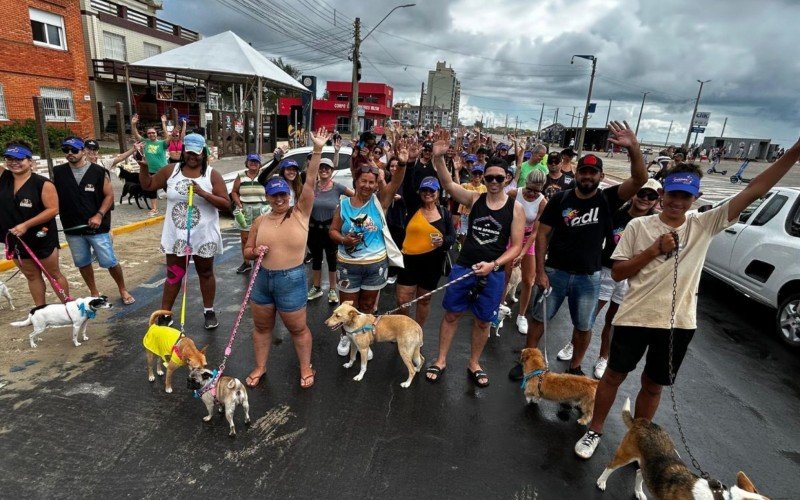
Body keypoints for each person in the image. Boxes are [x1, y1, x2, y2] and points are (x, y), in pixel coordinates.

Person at [574, 137, 800, 459]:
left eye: (685, 196)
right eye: (673, 195)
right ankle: (594, 429)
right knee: (613, 375)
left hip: (678, 323)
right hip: (635, 315)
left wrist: (792, 154)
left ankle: (639, 444)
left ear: (696, 198)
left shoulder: (704, 224)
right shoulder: (639, 225)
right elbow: (619, 272)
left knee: (653, 385)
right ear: (662, 195)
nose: (677, 202)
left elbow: (755, 191)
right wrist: (654, 250)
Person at [509, 121, 648, 381]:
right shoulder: (561, 199)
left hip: (589, 276)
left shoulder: (608, 198)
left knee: (584, 326)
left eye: (593, 173)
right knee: (539, 318)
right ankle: (527, 360)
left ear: (601, 177)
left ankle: (575, 367)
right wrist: (540, 270)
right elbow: (542, 236)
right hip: (556, 272)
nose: (587, 176)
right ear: (577, 174)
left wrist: (634, 149)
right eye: (583, 172)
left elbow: (640, 179)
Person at [427, 131, 525, 387]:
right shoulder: (475, 198)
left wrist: (494, 265)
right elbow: (448, 185)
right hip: (464, 266)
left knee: (483, 321)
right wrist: (438, 159)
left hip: (492, 272)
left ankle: (474, 363)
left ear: (507, 179)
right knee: (451, 315)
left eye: (498, 178)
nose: (493, 181)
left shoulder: (515, 208)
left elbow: (516, 247)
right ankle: (440, 360)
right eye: (489, 177)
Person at [242, 128, 332, 390]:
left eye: (283, 194)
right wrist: (254, 253)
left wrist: (317, 150)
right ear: (268, 197)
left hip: (290, 279)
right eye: (274, 195)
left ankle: (305, 366)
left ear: (289, 195)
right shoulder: (259, 220)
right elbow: (247, 252)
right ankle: (260, 366)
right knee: (261, 327)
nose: (280, 198)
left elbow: (311, 181)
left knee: (297, 328)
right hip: (261, 280)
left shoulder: (300, 213)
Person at [560, 178, 661, 380]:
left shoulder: (655, 223)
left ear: (657, 200)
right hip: (606, 271)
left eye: (652, 196)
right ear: (634, 194)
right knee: (588, 316)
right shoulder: (616, 214)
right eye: (642, 193)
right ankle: (573, 344)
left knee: (613, 321)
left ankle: (603, 357)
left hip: (633, 278)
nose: (645, 199)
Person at [138, 133, 230, 329]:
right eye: (189, 152)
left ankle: (209, 310)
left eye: (197, 153)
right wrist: (144, 167)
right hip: (178, 235)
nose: (192, 157)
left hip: (204, 235)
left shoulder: (212, 174)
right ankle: (165, 313)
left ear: (203, 153)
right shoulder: (171, 171)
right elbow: (147, 185)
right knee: (174, 274)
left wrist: (203, 193)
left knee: (205, 272)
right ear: (183, 151)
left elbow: (225, 204)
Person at [329, 140, 408, 356]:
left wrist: (401, 164)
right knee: (347, 307)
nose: (367, 186)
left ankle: (362, 341)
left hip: (375, 265)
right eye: (363, 181)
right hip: (348, 265)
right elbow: (332, 231)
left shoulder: (378, 202)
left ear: (375, 185)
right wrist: (344, 240)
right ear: (356, 181)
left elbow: (395, 183)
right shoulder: (343, 204)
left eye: (371, 182)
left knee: (367, 307)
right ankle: (346, 337)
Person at [52, 137, 134, 305]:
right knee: (82, 262)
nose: (70, 153)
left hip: (98, 228)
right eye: (66, 150)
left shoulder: (98, 171)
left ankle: (122, 289)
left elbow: (109, 195)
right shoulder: (58, 172)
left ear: (83, 151)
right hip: (72, 227)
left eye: (74, 150)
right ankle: (94, 291)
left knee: (110, 261)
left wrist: (99, 214)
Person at [0, 141, 68, 306]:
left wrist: (26, 225)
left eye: (19, 159)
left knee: (53, 273)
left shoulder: (43, 183)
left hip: (41, 236)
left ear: (30, 161)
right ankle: (40, 310)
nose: (14, 162)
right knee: (32, 276)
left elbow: (53, 209)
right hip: (15, 239)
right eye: (9, 158)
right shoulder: (4, 177)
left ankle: (68, 307)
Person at [395, 176, 456, 328]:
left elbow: (452, 237)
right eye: (424, 190)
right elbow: (407, 185)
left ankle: (418, 330)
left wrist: (443, 241)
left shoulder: (444, 212)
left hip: (433, 265)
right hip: (409, 262)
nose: (427, 193)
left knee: (424, 300)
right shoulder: (413, 206)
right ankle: (405, 329)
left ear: (438, 192)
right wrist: (408, 162)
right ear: (419, 192)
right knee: (403, 299)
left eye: (431, 190)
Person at [505, 170, 547, 334]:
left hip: (529, 239)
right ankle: (499, 307)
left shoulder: (543, 202)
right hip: (511, 235)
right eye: (529, 189)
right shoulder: (514, 193)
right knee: (506, 275)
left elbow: (536, 231)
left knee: (529, 280)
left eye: (536, 191)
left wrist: (522, 253)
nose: (531, 194)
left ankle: (521, 315)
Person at [307, 157, 353, 304]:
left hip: (331, 230)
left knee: (332, 260)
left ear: (332, 171)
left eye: (327, 168)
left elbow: (355, 197)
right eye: (321, 168)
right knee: (316, 259)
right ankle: (316, 287)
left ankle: (333, 289)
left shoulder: (338, 187)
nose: (324, 170)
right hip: (314, 229)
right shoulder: (312, 186)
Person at [231, 153, 269, 274]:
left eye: (256, 162)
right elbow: (234, 192)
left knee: (262, 237)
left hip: (262, 209)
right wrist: (239, 203)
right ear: (247, 163)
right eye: (251, 161)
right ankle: (246, 263)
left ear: (259, 164)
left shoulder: (264, 175)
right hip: (246, 210)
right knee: (245, 238)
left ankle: (261, 263)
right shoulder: (241, 176)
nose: (253, 164)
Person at [131, 114, 170, 217]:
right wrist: (134, 124)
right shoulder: (145, 142)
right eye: (149, 133)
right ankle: (154, 209)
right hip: (150, 170)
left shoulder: (162, 143)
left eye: (153, 132)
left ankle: (172, 207)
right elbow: (136, 135)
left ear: (156, 134)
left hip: (163, 171)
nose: (151, 134)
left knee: (169, 190)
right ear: (147, 135)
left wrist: (163, 123)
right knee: (152, 189)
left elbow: (168, 137)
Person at [457, 158, 486, 240]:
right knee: (463, 235)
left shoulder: (485, 188)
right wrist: (456, 171)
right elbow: (457, 187)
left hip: (478, 215)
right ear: (471, 174)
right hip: (466, 214)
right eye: (475, 173)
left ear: (482, 175)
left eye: (479, 173)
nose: (477, 175)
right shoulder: (466, 185)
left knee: (475, 236)